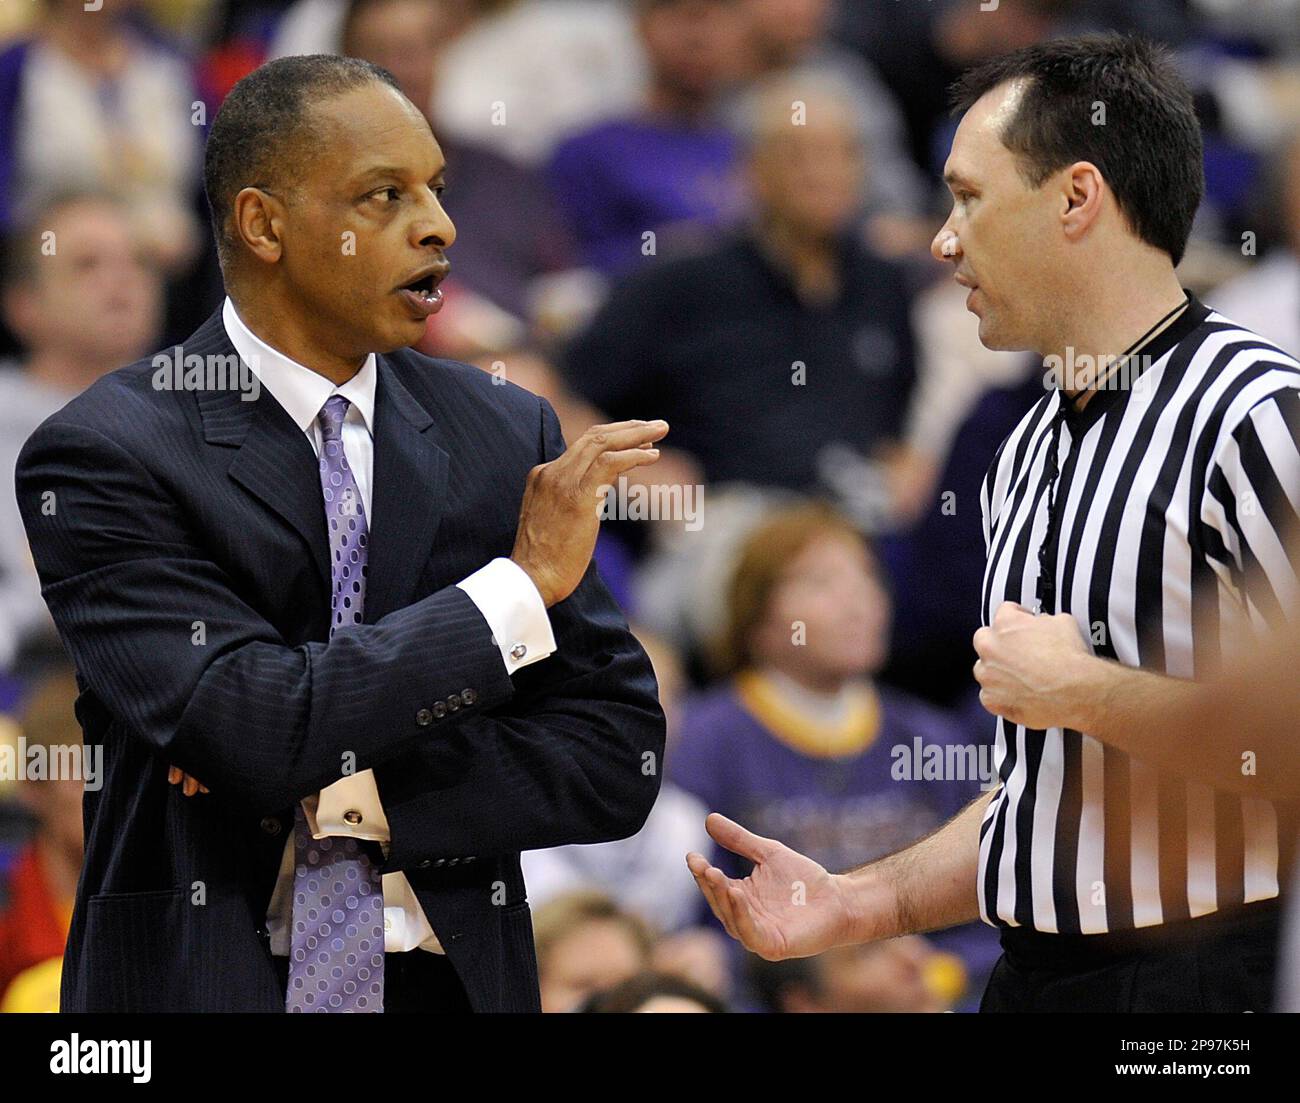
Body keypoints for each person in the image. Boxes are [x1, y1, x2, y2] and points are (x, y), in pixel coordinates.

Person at [15, 54, 667, 1013]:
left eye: (437, 189)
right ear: (262, 224)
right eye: (383, 194)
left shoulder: (502, 430)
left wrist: (358, 796)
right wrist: (513, 595)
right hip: (205, 984)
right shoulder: (110, 450)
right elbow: (253, 727)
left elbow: (618, 754)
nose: (439, 224)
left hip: (454, 982)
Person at [687, 34, 1300, 1013]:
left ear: (1075, 197)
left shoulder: (1254, 414)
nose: (941, 237)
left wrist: (1088, 693)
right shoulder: (1020, 449)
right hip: (1032, 975)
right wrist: (855, 902)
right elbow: (1046, 793)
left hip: (1211, 980)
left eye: (969, 196)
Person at [0, 191, 164, 671]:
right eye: (87, 265)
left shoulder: (201, 413)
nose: (121, 281)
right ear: (22, 304)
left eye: (138, 261)